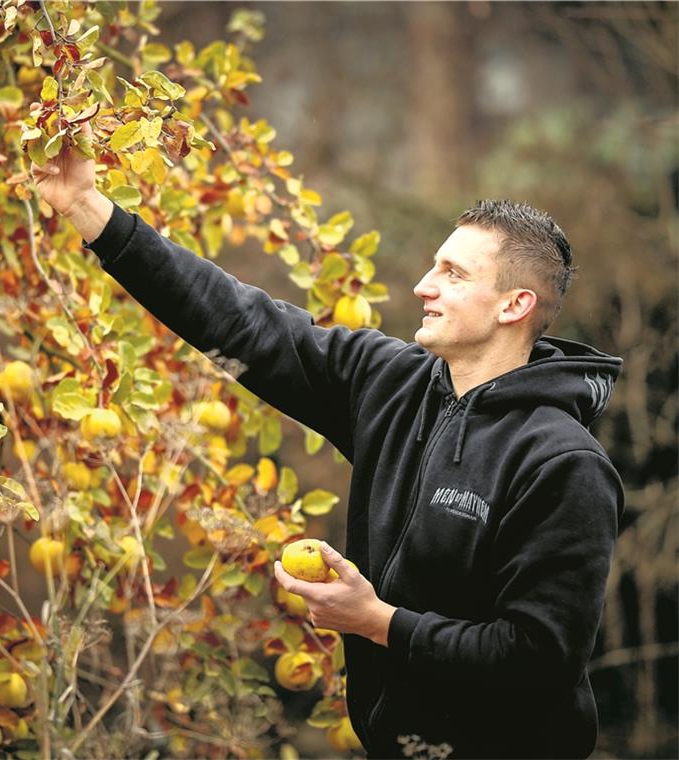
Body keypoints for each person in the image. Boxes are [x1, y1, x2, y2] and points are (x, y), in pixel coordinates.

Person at [32, 131, 623, 759]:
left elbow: (538, 660)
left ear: (515, 304)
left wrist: (377, 622)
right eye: (433, 265)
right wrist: (89, 209)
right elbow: (238, 322)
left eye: (452, 274)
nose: (425, 285)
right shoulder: (387, 384)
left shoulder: (564, 466)